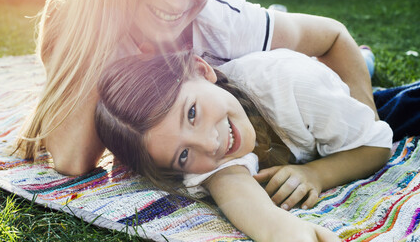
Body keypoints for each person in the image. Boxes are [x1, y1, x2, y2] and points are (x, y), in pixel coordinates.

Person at [15, 0, 377, 176]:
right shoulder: (78, 18)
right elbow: (72, 159)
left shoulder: (221, 20)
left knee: (348, 72)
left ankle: (367, 60)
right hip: (258, 87)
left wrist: (368, 128)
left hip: (288, 78)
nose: (177, 1)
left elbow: (332, 35)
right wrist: (104, 17)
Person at [94, 49, 392, 242]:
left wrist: (316, 174)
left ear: (202, 70)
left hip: (321, 73)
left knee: (373, 75)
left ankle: (365, 54)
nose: (210, 145)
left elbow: (377, 145)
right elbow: (233, 186)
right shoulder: (197, 149)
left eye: (192, 113)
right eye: (183, 155)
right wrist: (285, 233)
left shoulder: (296, 85)